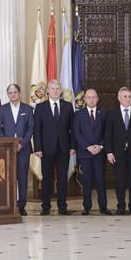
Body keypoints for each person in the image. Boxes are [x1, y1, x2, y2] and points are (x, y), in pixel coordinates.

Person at [33, 79, 76, 215]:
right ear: (48, 91)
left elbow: (73, 129)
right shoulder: (40, 107)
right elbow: (37, 130)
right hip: (46, 149)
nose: (55, 91)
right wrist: (38, 148)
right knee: (47, 179)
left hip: (64, 148)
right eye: (53, 89)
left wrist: (73, 146)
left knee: (62, 179)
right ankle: (46, 207)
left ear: (60, 91)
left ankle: (62, 206)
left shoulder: (68, 106)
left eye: (57, 89)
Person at [104, 87, 131, 215]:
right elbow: (108, 135)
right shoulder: (112, 113)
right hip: (118, 154)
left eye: (129, 96)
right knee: (120, 182)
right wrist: (109, 152)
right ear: (119, 98)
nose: (128, 99)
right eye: (125, 96)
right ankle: (121, 206)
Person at [0, 84, 34, 216]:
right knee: (8, 178)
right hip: (7, 151)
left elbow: (30, 129)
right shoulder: (1, 109)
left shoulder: (28, 109)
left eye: (15, 92)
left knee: (22, 178)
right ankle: (9, 205)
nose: (13, 94)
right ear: (8, 94)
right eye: (10, 93)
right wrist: (8, 144)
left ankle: (21, 205)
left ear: (19, 93)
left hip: (23, 149)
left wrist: (22, 144)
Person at [73, 88, 111, 216]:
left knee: (101, 181)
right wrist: (87, 147)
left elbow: (107, 132)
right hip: (85, 154)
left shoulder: (104, 113)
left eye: (94, 97)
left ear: (97, 99)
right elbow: (77, 133)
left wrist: (100, 146)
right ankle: (87, 206)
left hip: (100, 153)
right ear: (84, 99)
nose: (91, 100)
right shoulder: (79, 114)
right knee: (86, 181)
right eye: (89, 97)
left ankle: (103, 207)